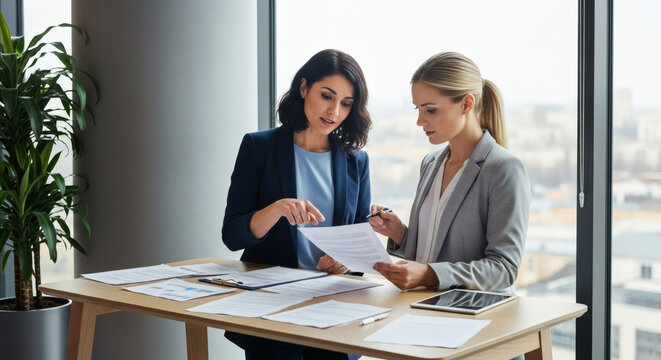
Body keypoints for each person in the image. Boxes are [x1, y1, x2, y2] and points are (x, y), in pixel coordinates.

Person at [222, 49, 371, 360]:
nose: (334, 111)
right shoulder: (258, 147)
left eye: (346, 103)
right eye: (327, 96)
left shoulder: (356, 161)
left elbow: (358, 240)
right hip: (272, 309)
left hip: (334, 313)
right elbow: (233, 236)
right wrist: (276, 209)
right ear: (304, 88)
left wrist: (345, 260)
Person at [369, 52, 531, 295]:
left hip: (474, 316)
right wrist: (399, 233)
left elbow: (504, 268)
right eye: (418, 109)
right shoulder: (431, 163)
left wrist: (430, 274)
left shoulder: (503, 169)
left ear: (466, 104)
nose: (419, 121)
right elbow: (431, 252)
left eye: (430, 110)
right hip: (424, 307)